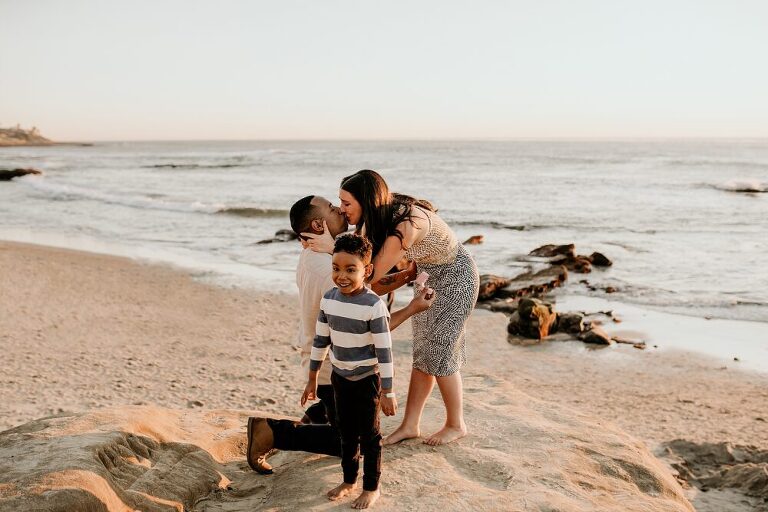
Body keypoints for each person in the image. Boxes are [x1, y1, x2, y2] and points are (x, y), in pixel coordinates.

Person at [246, 195, 434, 475]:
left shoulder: (319, 256)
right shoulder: (326, 270)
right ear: (319, 225)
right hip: (334, 366)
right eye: (333, 209)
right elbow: (370, 323)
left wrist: (403, 277)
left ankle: (314, 419)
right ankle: (271, 432)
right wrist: (412, 308)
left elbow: (361, 286)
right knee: (354, 442)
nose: (340, 211)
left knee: (340, 411)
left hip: (322, 358)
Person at [304, 170, 479, 446]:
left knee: (442, 352)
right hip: (427, 274)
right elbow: (365, 271)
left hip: (456, 277)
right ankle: (411, 425)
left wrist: (332, 248)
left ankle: (456, 424)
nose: (341, 209)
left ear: (366, 201)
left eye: (346, 203)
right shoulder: (376, 216)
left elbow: (368, 279)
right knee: (423, 351)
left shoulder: (402, 229)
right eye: (339, 202)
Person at [302, 233, 393, 509]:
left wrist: (388, 391)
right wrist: (313, 377)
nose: (341, 275)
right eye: (336, 268)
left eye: (350, 269)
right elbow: (321, 341)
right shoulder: (329, 300)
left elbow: (385, 351)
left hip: (367, 380)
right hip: (340, 377)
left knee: (370, 435)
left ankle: (371, 487)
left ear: (366, 271)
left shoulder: (374, 305)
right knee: (345, 432)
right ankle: (349, 480)